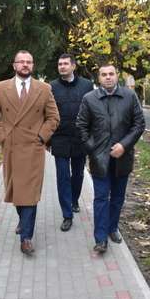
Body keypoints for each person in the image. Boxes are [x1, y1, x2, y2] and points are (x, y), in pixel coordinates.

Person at [0, 50, 60, 256]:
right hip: (12, 147)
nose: (25, 65)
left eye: (29, 62)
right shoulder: (1, 88)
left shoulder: (44, 89)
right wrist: (2, 138)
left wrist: (41, 137)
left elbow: (53, 117)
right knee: (17, 191)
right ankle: (23, 220)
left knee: (30, 193)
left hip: (33, 148)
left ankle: (26, 238)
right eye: (21, 62)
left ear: (33, 66)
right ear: (14, 65)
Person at [76, 63, 145, 253]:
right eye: (104, 74)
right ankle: (100, 239)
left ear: (117, 76)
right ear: (98, 78)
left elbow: (139, 124)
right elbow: (81, 126)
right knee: (100, 198)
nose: (108, 77)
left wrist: (124, 145)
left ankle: (112, 228)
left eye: (111, 74)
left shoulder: (129, 96)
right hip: (100, 160)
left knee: (117, 197)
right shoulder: (89, 99)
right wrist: (93, 150)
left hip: (123, 158)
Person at [50, 53, 94, 232]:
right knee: (62, 177)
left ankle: (74, 199)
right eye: (60, 64)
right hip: (59, 138)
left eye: (65, 64)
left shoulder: (87, 85)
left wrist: (91, 136)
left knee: (78, 174)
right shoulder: (51, 87)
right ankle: (67, 215)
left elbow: (92, 110)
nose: (62, 67)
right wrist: (48, 138)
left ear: (73, 66)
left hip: (80, 138)